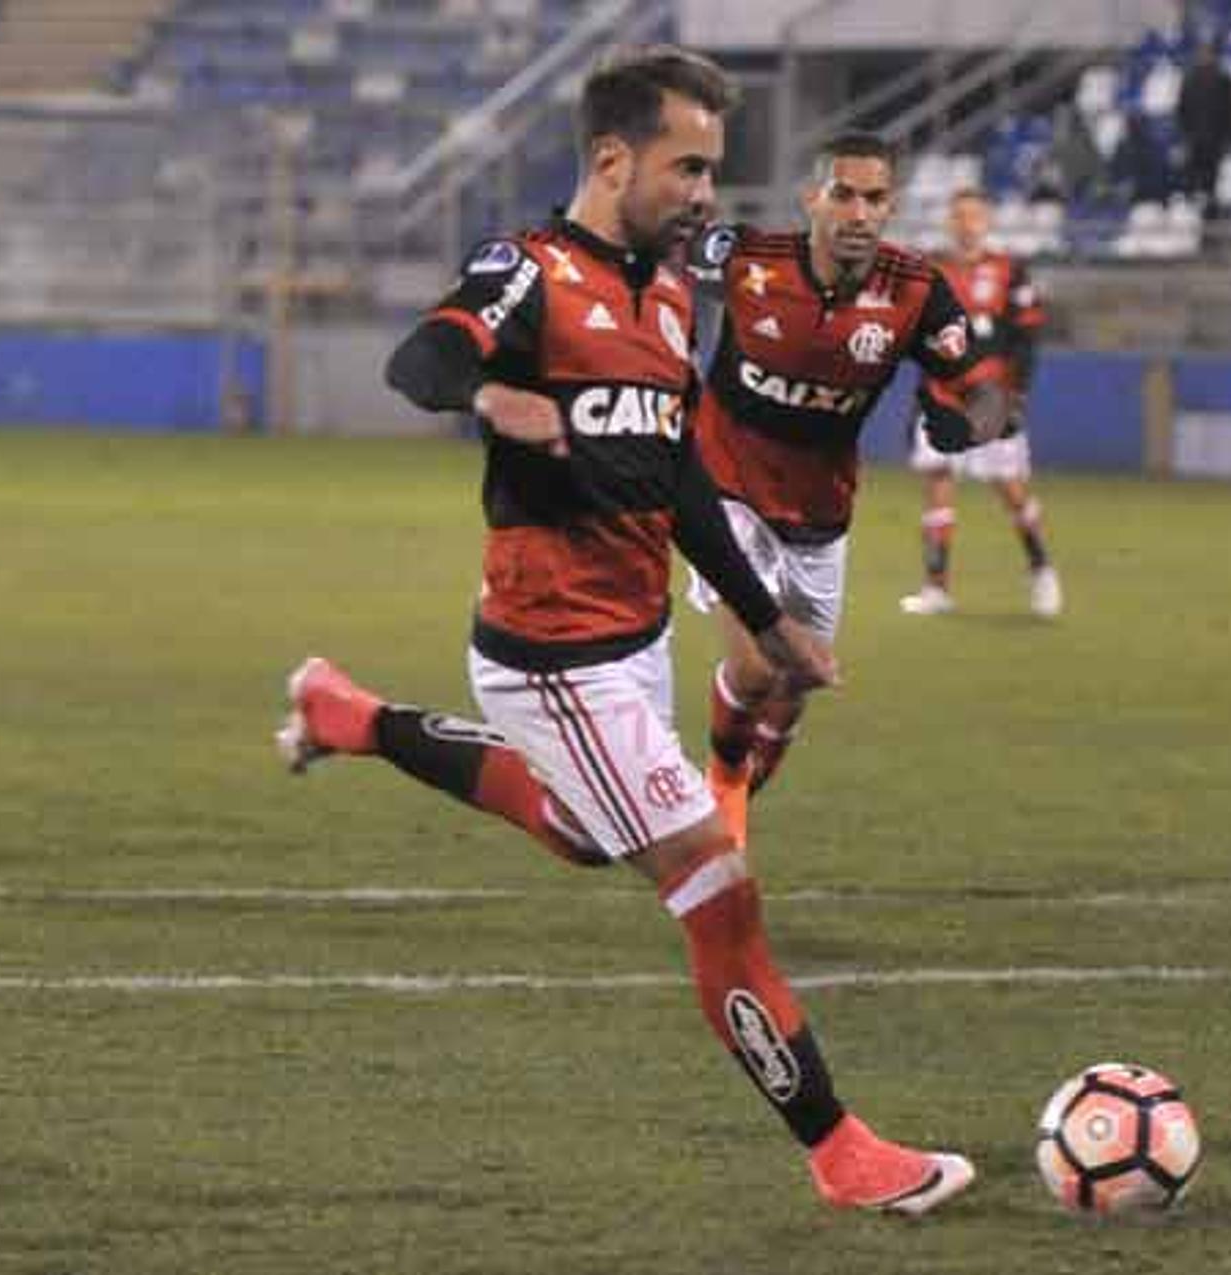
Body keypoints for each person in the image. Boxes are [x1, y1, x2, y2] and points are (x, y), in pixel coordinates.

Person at [273, 48, 975, 1215]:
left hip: (633, 639)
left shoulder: (664, 292)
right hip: (552, 659)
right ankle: (840, 1150)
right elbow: (425, 356)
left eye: (713, 169)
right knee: (714, 878)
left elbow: (679, 480)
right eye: (688, 166)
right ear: (611, 159)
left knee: (577, 828)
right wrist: (484, 395)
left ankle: (345, 714)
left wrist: (768, 623)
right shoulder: (531, 269)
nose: (706, 193)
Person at [682, 132, 1008, 849]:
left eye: (875, 198)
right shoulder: (747, 259)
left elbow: (986, 387)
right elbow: (650, 254)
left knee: (796, 684)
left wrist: (970, 426)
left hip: (821, 513)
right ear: (813, 199)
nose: (859, 212)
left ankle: (736, 784)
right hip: (725, 487)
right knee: (751, 663)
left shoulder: (916, 290)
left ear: (891, 207)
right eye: (844, 194)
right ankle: (724, 782)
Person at [900, 187, 1059, 618]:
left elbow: (1027, 337)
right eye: (959, 216)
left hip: (992, 397)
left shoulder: (1011, 270)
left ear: (987, 221)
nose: (966, 224)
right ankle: (936, 588)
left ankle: (1042, 571)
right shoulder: (931, 271)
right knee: (938, 485)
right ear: (950, 222)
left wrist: (1017, 392)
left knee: (1010, 489)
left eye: (974, 216)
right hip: (941, 395)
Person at [1176, 42, 1231, 212]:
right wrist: (1186, 134)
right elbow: (1182, 109)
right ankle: (1191, 214)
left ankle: (1210, 217)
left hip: (1215, 140)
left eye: (1209, 53)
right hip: (1195, 140)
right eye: (1203, 53)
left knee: (1211, 184)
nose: (1206, 57)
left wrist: (1226, 136)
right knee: (1192, 182)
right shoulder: (1190, 79)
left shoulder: (1223, 80)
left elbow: (1230, 111)